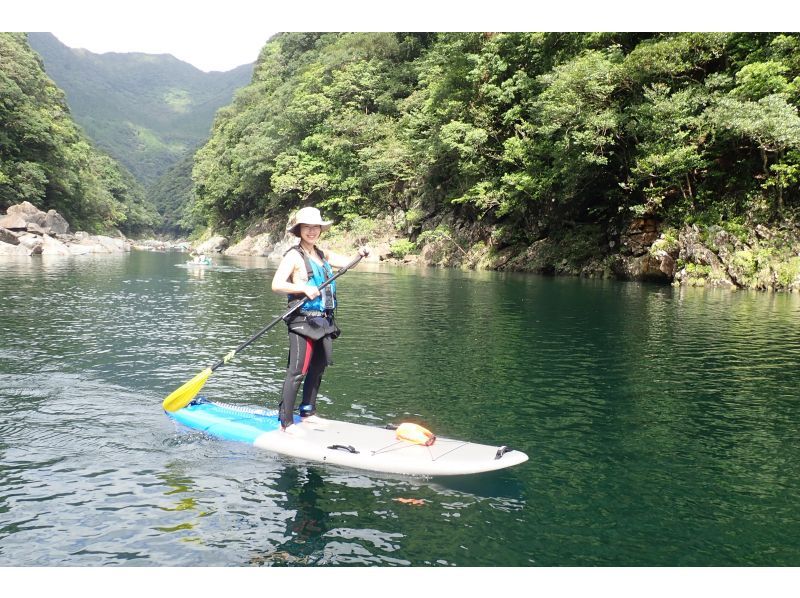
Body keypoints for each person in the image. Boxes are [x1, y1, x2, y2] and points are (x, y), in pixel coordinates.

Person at [271, 206, 369, 436]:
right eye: (307, 227)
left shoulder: (323, 255)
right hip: (302, 322)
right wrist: (303, 287)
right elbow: (276, 284)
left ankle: (308, 412)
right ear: (300, 230)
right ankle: (285, 422)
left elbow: (349, 263)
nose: (312, 231)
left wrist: (361, 253)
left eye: (316, 227)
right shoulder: (294, 256)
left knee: (318, 367)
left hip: (324, 321)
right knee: (297, 371)